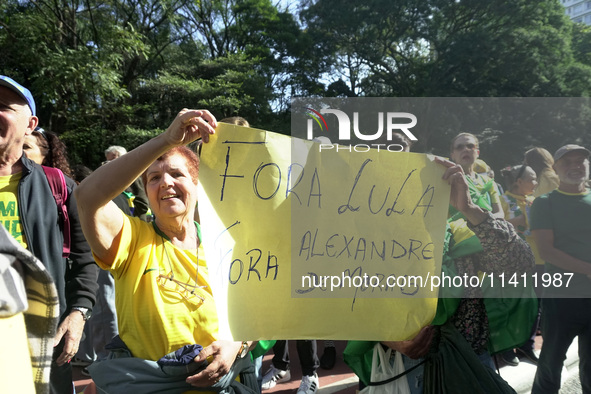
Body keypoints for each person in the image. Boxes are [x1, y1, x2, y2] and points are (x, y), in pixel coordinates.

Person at [74, 109, 258, 392]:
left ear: (197, 185)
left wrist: (237, 345)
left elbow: (256, 313)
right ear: (147, 191)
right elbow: (87, 196)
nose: (166, 183)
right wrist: (166, 140)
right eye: (154, 178)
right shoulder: (132, 238)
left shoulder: (226, 245)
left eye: (176, 174)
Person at [344, 156, 535, 393]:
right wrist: (388, 338)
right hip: (405, 369)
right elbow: (348, 302)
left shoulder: (460, 234)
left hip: (470, 362)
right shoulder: (363, 244)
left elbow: (519, 265)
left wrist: (469, 209)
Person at [0, 75, 99, 393]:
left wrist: (78, 313)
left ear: (30, 124)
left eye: (2, 106)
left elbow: (86, 257)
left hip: (42, 340)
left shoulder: (57, 184)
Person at [530, 144, 591, 394]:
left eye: (581, 161)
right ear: (555, 168)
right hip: (562, 298)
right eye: (568, 162)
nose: (576, 166)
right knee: (551, 362)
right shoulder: (545, 203)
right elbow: (546, 250)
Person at [498, 165, 541, 366]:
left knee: (534, 305)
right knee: (511, 304)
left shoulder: (535, 201)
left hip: (539, 261)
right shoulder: (502, 200)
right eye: (531, 179)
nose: (536, 183)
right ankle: (506, 347)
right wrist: (520, 219)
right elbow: (496, 228)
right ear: (518, 181)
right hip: (512, 261)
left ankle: (527, 345)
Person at [449, 133, 504, 219]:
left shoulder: (489, 182)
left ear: (477, 153)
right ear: (453, 155)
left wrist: (484, 222)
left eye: (470, 146)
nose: (465, 150)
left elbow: (500, 213)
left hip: (487, 230)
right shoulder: (448, 181)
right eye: (460, 147)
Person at [103, 145, 150, 221]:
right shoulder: (113, 177)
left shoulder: (132, 174)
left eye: (111, 161)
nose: (109, 165)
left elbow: (143, 203)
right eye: (107, 162)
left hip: (135, 223)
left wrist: (129, 218)